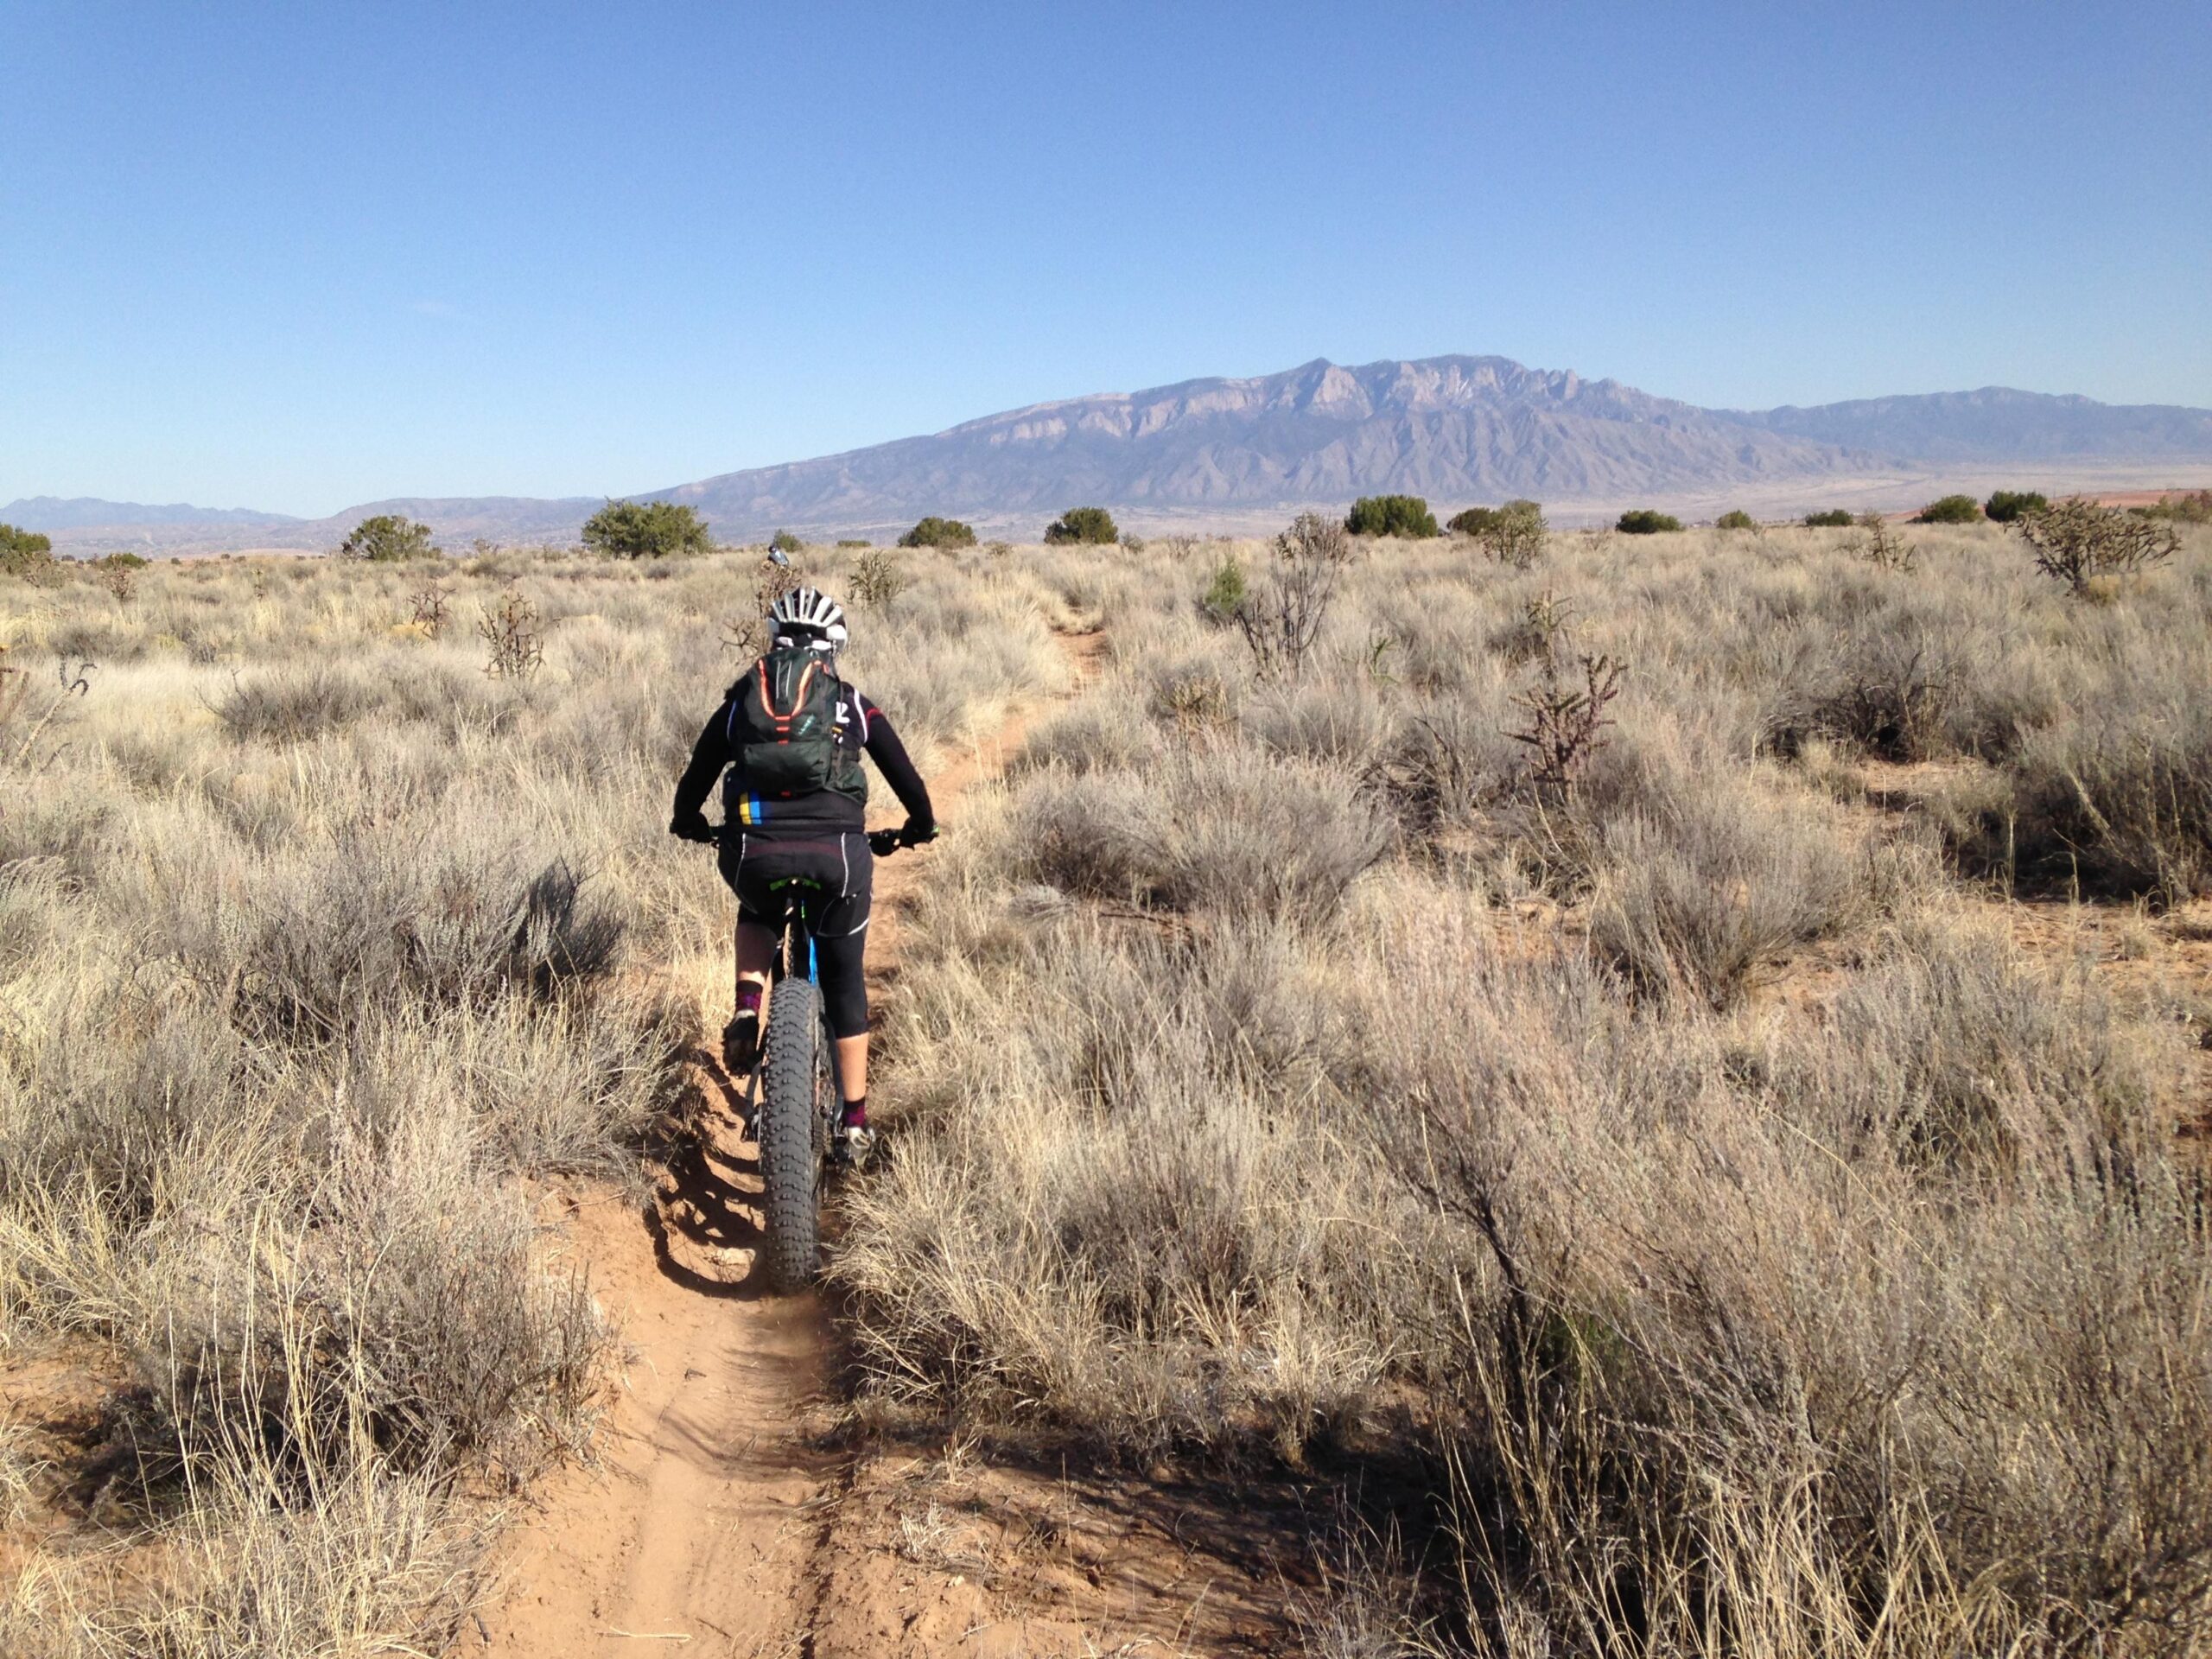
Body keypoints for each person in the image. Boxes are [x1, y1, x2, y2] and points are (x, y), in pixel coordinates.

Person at [669, 586, 935, 1163]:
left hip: (753, 853)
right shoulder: (852, 703)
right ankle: (856, 1124)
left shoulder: (743, 700)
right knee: (843, 983)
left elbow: (695, 775)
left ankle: (747, 1004)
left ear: (775, 643)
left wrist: (688, 822)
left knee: (756, 902)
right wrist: (920, 827)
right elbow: (908, 781)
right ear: (834, 647)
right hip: (837, 856)